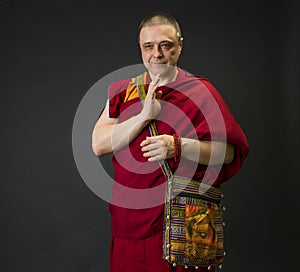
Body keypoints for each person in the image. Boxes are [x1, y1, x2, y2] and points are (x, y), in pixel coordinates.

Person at [92, 11, 249, 272]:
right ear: (140, 49)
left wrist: (177, 146)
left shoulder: (200, 91)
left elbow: (229, 153)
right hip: (128, 219)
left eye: (165, 45)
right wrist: (144, 116)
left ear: (179, 46)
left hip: (180, 222)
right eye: (149, 46)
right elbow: (99, 144)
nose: (157, 54)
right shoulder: (122, 90)